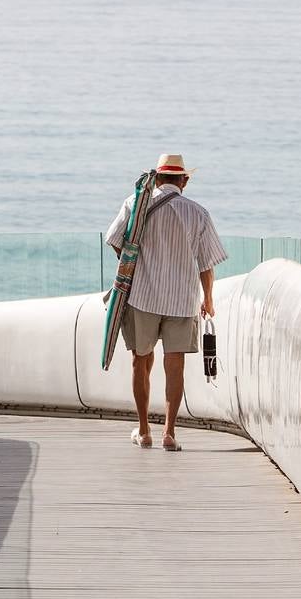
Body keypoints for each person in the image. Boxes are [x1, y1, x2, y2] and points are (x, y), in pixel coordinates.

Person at [105, 154, 228, 451]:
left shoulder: (135, 204)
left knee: (140, 362)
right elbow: (206, 263)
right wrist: (208, 298)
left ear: (157, 179)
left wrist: (134, 269)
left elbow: (115, 241)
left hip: (142, 298)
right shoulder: (198, 213)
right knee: (176, 367)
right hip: (182, 300)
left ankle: (144, 430)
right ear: (184, 181)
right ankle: (169, 433)